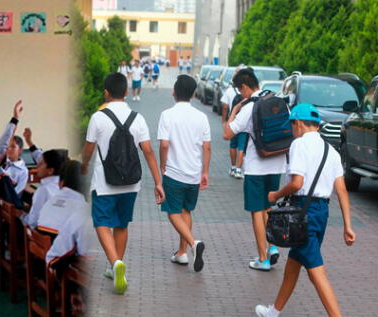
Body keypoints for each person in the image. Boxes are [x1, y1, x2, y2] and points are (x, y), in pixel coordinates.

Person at [255, 104, 356, 317]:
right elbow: (341, 190)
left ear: (298, 123)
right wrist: (347, 225)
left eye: (291, 124)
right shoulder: (330, 150)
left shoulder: (299, 145)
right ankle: (273, 315)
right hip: (321, 213)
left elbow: (297, 182)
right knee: (294, 265)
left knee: (315, 271)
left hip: (303, 212)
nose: (291, 129)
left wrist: (275, 195)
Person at [81, 72, 165, 294]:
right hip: (131, 183)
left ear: (106, 93)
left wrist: (83, 165)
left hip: (104, 182)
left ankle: (115, 263)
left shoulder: (98, 117)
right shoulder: (138, 118)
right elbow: (147, 151)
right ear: (127, 92)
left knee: (101, 222)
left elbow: (88, 149)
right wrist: (158, 182)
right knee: (121, 224)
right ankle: (115, 265)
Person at [222, 68, 285, 271]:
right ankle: (273, 247)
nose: (241, 95)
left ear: (245, 87)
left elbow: (227, 134)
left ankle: (263, 259)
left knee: (256, 211)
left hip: (257, 166)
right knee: (269, 207)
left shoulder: (249, 107)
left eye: (241, 91)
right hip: (277, 163)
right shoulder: (277, 100)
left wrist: (233, 113)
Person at [158, 75, 211, 273]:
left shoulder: (167, 115)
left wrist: (163, 165)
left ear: (174, 91)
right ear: (193, 94)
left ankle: (192, 243)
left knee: (173, 212)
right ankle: (181, 253)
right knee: (186, 211)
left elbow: (164, 144)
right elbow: (207, 147)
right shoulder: (202, 117)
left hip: (174, 172)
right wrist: (205, 171)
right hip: (194, 173)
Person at [39, 160, 89, 264]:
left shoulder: (49, 201)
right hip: (62, 267)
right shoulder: (83, 210)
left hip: (40, 258)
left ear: (60, 183)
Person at [20, 149, 68, 228]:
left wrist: (21, 216)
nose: (37, 165)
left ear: (50, 170)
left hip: (43, 236)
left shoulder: (43, 190)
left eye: (41, 163)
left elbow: (33, 222)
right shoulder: (63, 186)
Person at [221, 67, 248, 179]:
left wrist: (224, 121)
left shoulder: (230, 90)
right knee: (241, 147)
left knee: (233, 145)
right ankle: (238, 169)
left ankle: (232, 167)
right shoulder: (247, 91)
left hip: (233, 122)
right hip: (244, 123)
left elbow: (225, 107)